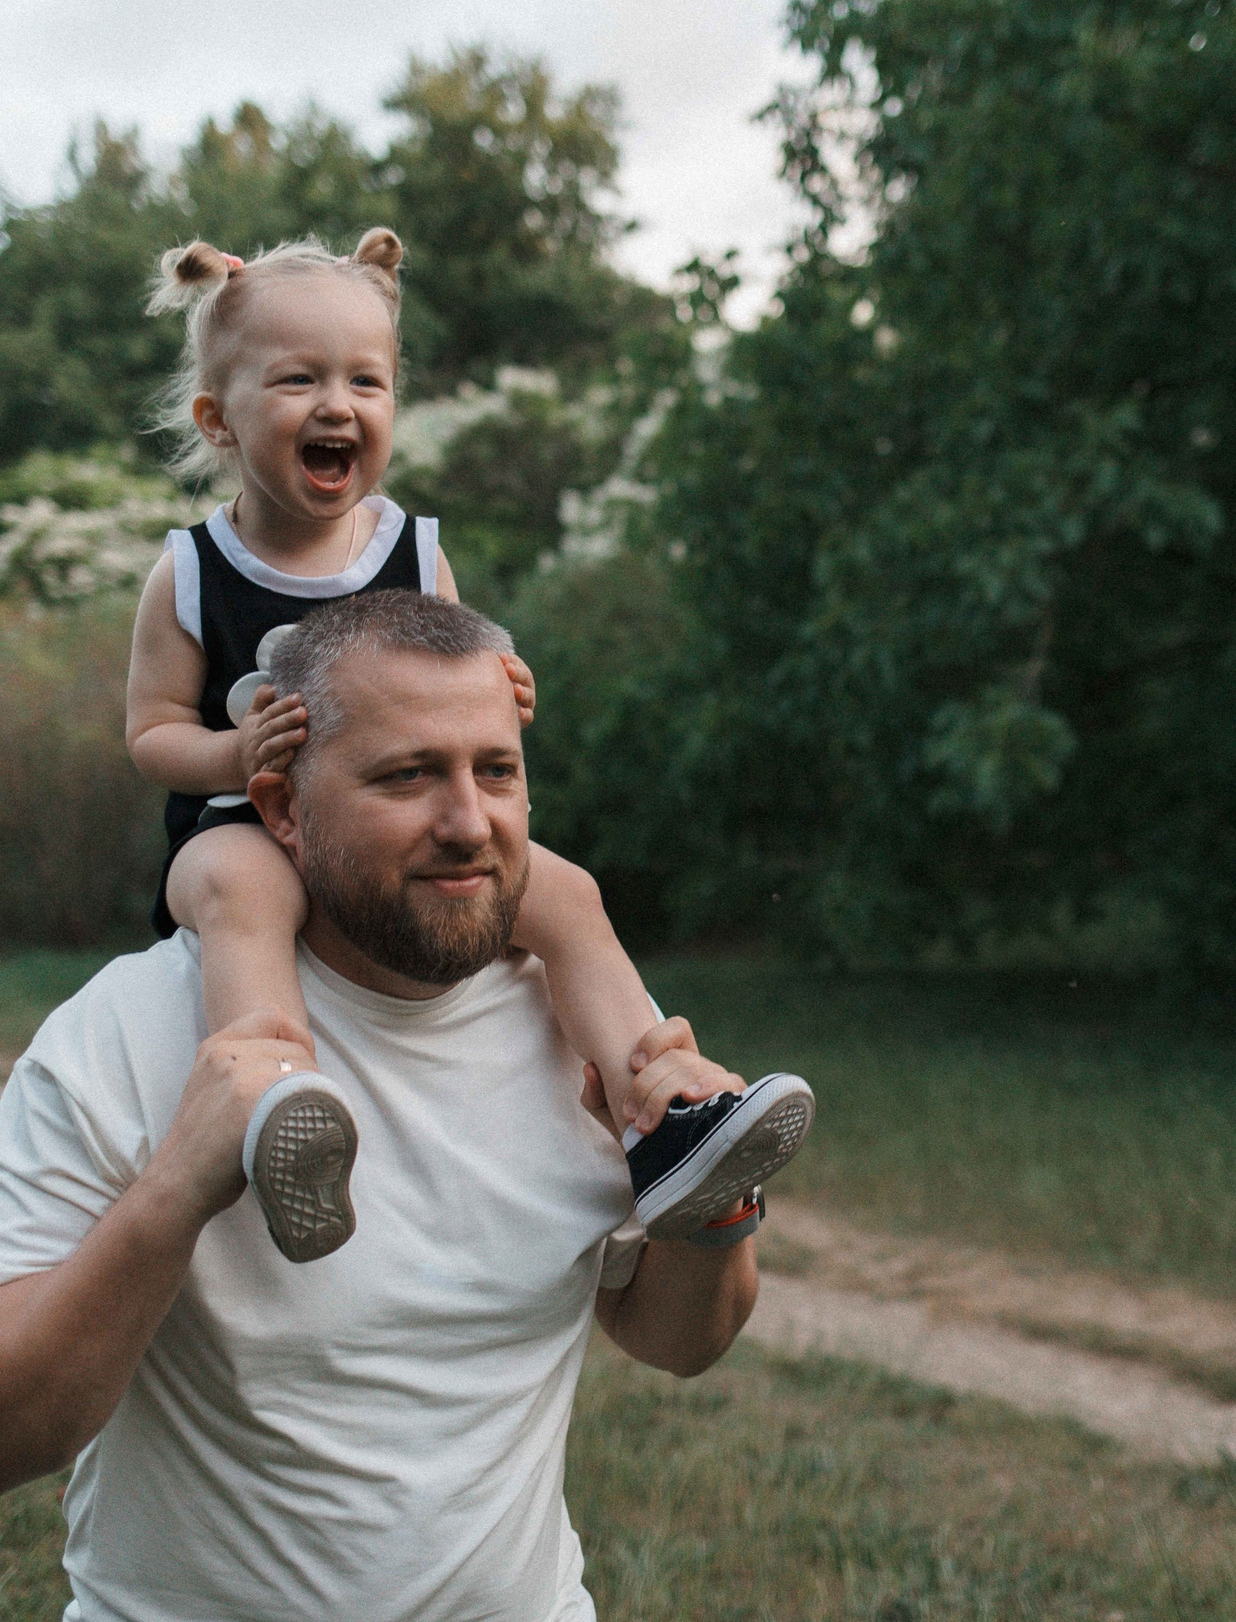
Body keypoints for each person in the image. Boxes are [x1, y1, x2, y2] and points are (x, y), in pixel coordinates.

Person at [0, 589, 763, 1620]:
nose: (466, 822)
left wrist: (711, 1213)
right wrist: (177, 1186)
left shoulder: (586, 1023)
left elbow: (679, 1340)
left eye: (495, 771)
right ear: (282, 811)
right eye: (407, 776)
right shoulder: (131, 1031)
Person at [122, 231, 810, 1261]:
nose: (336, 403)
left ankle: (661, 1111)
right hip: (240, 828)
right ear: (217, 419)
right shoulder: (187, 574)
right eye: (297, 378)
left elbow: (457, 681)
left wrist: (500, 685)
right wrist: (231, 756)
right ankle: (274, 1111)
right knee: (243, 895)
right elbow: (149, 735)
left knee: (565, 894)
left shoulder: (414, 551)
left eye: (367, 380)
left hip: (400, 830)